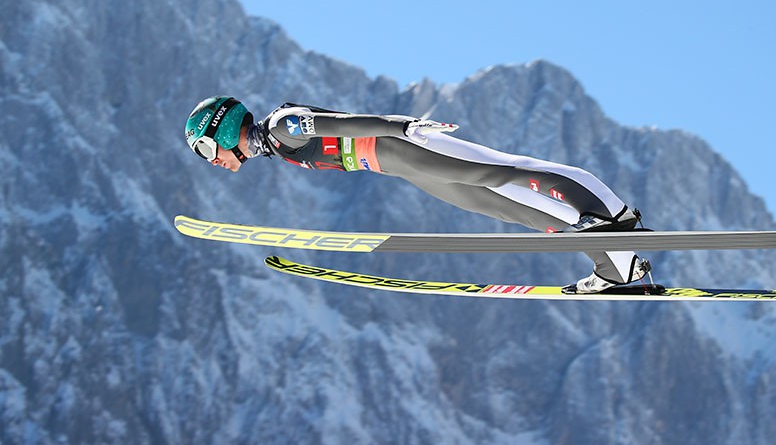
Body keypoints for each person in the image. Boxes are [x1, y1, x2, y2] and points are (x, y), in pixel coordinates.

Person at [184, 96, 651, 293]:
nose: (211, 160)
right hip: (395, 165)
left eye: (206, 148)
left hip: (401, 146)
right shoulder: (273, 143)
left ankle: (612, 216)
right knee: (498, 203)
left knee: (500, 172)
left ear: (222, 130)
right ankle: (616, 264)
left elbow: (342, 123)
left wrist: (403, 127)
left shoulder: (281, 126)